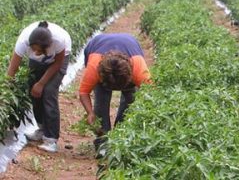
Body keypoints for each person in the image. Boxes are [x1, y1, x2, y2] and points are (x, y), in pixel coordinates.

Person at [78, 33, 151, 152]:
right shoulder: (94, 66)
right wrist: (90, 113)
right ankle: (103, 143)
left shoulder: (138, 69)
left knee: (130, 102)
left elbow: (151, 93)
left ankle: (121, 137)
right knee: (101, 103)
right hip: (96, 45)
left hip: (130, 44)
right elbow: (83, 92)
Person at [7, 21, 72, 153]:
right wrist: (7, 89)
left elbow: (58, 63)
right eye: (33, 49)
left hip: (58, 60)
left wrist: (41, 83)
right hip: (38, 63)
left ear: (48, 46)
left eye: (40, 50)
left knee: (48, 92)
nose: (36, 52)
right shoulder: (23, 41)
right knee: (34, 92)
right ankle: (42, 129)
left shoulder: (59, 41)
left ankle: (51, 139)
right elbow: (12, 69)